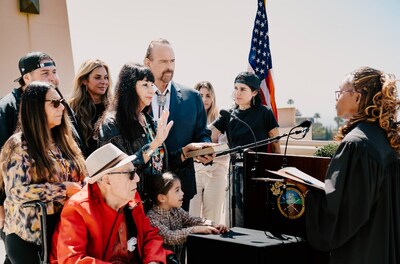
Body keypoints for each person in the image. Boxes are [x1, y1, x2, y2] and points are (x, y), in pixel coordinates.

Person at [288, 67, 400, 264]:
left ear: (357, 98)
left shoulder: (356, 144)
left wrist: (308, 192)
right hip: (382, 247)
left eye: (340, 92)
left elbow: (341, 212)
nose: (336, 98)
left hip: (360, 251)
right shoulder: (380, 138)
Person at [0, 51, 85, 263]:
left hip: (63, 231)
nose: (62, 108)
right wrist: (63, 190)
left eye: (62, 102)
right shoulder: (18, 145)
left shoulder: (65, 142)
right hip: (28, 237)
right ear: (37, 108)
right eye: (54, 104)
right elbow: (17, 192)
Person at [50, 143, 174, 263]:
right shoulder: (78, 208)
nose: (137, 178)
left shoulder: (131, 198)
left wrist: (153, 261)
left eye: (135, 171)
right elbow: (71, 260)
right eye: (130, 173)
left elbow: (149, 236)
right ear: (106, 179)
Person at [144, 38, 212, 211]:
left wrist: (204, 149)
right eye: (163, 61)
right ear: (148, 63)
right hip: (144, 187)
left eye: (172, 61)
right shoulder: (136, 97)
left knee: (182, 237)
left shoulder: (193, 97)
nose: (170, 66)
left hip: (180, 187)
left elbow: (202, 132)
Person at [210, 71, 280, 227]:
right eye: (236, 88)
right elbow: (211, 135)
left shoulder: (264, 112)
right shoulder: (228, 114)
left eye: (243, 89)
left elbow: (275, 144)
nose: (237, 93)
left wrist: (277, 168)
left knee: (258, 214)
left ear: (254, 92)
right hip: (235, 170)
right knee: (237, 214)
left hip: (260, 170)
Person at [146, 172, 229, 264]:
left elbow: (192, 220)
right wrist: (195, 230)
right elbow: (170, 236)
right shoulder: (152, 218)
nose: (182, 193)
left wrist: (213, 224)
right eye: (177, 190)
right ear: (162, 198)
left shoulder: (176, 210)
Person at [189, 81, 230, 224]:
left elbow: (226, 148)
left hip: (215, 173)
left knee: (212, 220)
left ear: (213, 98)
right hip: (194, 174)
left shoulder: (221, 119)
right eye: (200, 96)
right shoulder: (188, 119)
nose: (204, 100)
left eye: (208, 95)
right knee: (192, 218)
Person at [69, 58, 113, 156]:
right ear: (84, 80)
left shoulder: (113, 106)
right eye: (98, 77)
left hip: (115, 164)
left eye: (106, 77)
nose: (104, 82)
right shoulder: (72, 108)